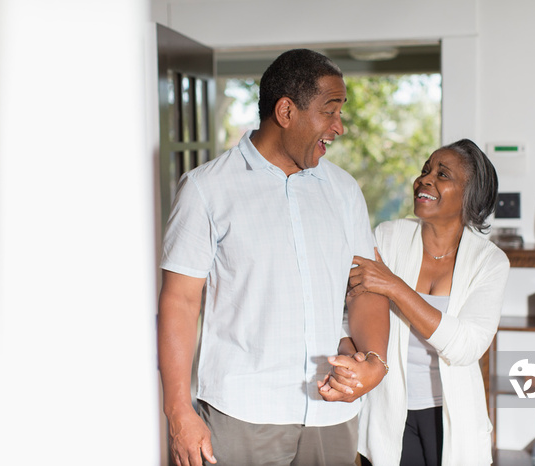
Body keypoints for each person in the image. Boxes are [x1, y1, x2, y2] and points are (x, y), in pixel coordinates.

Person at [157, 49, 389, 466]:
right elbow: (179, 302)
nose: (338, 127)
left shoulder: (343, 190)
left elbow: (364, 288)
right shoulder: (206, 189)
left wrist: (375, 361)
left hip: (330, 414)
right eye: (329, 111)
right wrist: (178, 412)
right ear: (286, 111)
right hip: (241, 413)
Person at [328, 139, 509, 465]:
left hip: (449, 413)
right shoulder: (388, 236)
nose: (425, 179)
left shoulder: (490, 262)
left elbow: (466, 346)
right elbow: (349, 312)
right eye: (426, 170)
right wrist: (348, 352)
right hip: (388, 410)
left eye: (443, 175)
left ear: (471, 195)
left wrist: (395, 287)